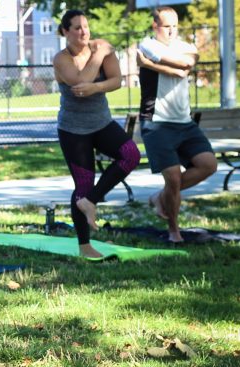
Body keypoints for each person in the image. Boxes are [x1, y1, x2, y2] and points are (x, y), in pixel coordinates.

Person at [53, 10, 141, 257]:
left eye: (86, 26)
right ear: (65, 32)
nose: (84, 32)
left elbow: (116, 81)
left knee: (131, 155)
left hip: (102, 123)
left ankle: (91, 200)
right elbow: (80, 82)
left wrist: (97, 87)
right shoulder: (61, 59)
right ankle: (84, 246)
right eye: (77, 28)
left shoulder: (100, 48)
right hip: (73, 130)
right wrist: (100, 54)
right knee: (82, 183)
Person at [137, 7, 217, 243]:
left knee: (208, 164)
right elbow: (181, 67)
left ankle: (160, 197)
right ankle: (174, 231)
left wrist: (150, 65)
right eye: (166, 26)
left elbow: (186, 64)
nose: (171, 31)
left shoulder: (187, 46)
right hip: (156, 123)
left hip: (185, 123)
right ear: (155, 26)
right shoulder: (147, 45)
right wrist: (173, 68)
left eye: (175, 26)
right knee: (173, 178)